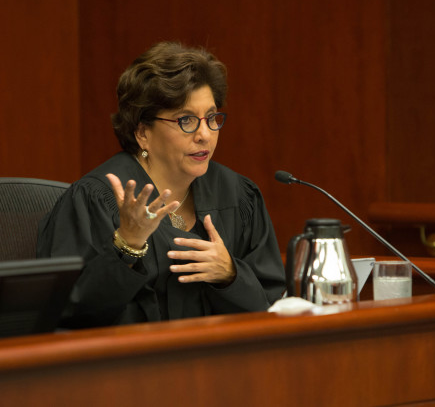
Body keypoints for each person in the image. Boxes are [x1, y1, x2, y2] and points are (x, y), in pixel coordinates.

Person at [37, 42, 285, 328]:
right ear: (143, 132)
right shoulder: (98, 199)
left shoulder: (239, 195)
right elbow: (70, 316)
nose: (205, 134)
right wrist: (127, 245)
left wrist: (231, 274)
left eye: (212, 118)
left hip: (221, 364)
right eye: (186, 120)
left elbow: (273, 307)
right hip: (132, 368)